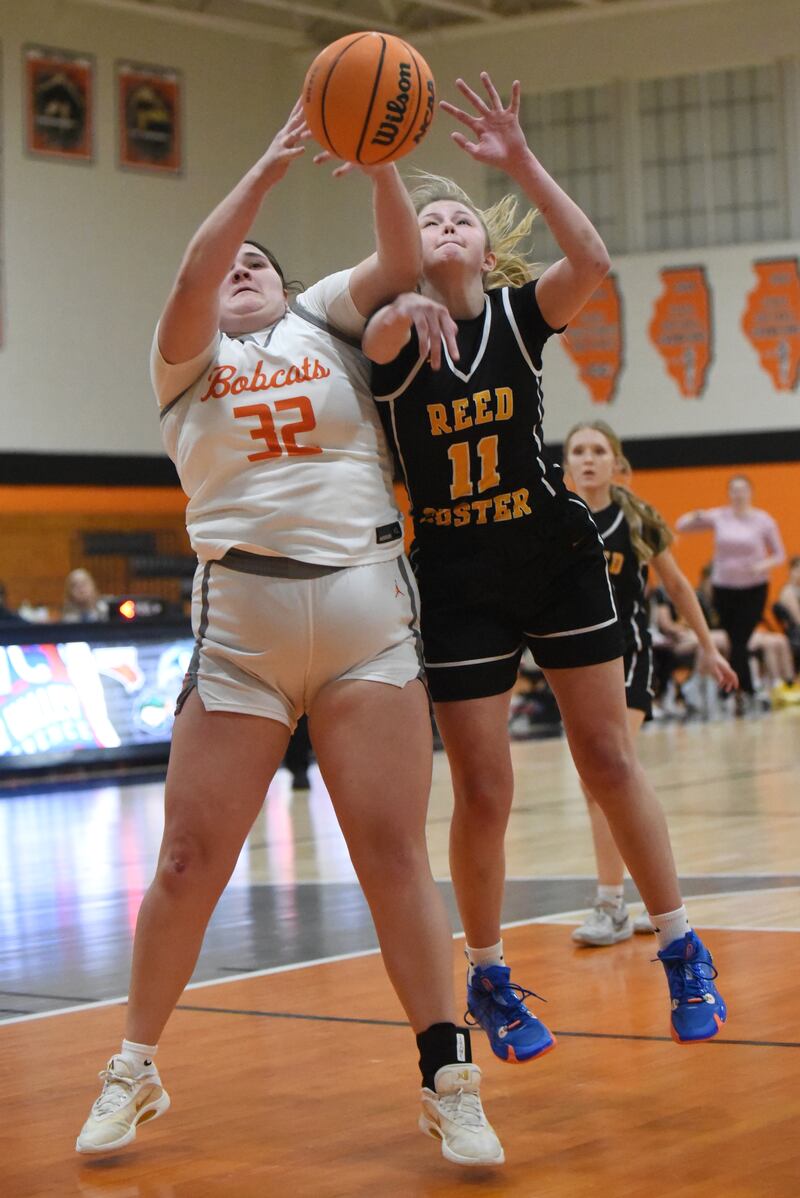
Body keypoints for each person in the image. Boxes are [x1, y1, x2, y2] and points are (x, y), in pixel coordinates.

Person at [75, 101, 503, 1168]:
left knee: (392, 854)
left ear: (287, 282)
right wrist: (261, 176)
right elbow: (193, 271)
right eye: (234, 262)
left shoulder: (323, 320)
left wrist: (381, 162)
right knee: (186, 860)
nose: (243, 268)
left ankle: (448, 1076)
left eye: (259, 262)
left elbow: (397, 259)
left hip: (365, 610)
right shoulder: (185, 360)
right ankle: (133, 1066)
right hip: (243, 626)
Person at [365, 72, 727, 1052]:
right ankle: (487, 974)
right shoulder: (389, 337)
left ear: (488, 251)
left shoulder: (519, 317)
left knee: (606, 754)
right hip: (456, 577)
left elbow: (593, 259)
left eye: (462, 220)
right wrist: (383, 169)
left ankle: (679, 942)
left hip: (551, 553)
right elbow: (385, 312)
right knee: (484, 789)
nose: (446, 226)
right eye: (429, 221)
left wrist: (519, 159)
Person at [563, 422, 737, 943]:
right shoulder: (556, 516)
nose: (588, 459)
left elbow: (678, 586)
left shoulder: (635, 519)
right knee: (607, 780)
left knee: (604, 773)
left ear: (616, 464)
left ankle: (611, 904)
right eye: (578, 451)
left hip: (628, 655)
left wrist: (708, 648)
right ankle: (652, 892)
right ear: (566, 464)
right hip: (574, 661)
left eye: (598, 450)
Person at [676, 476, 785, 709]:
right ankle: (742, 690)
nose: (738, 494)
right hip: (724, 588)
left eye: (742, 490)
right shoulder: (720, 516)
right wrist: (696, 514)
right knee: (734, 639)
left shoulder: (763, 520)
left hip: (754, 588)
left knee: (740, 639)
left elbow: (779, 555)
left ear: (750, 492)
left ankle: (736, 689)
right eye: (734, 490)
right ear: (729, 494)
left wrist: (761, 566)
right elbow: (681, 526)